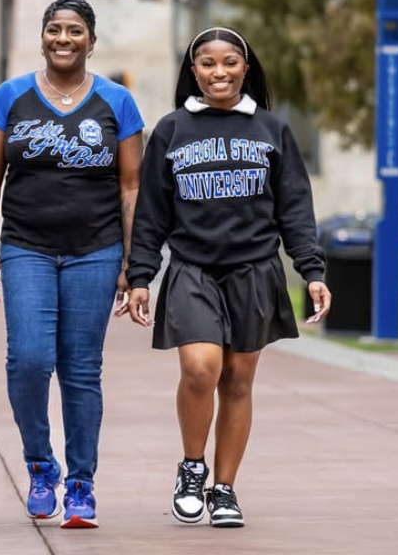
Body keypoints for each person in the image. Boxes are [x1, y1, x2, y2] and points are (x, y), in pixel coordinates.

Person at [124, 27, 332, 528]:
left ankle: (225, 489)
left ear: (246, 68)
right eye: (208, 63)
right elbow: (151, 213)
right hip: (193, 269)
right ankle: (192, 467)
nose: (220, 72)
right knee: (200, 368)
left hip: (255, 270)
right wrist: (140, 276)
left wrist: (312, 270)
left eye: (230, 62)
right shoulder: (172, 130)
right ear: (193, 71)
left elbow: (295, 211)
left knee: (238, 381)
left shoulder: (272, 130)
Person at [0, 0, 144, 529]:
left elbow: (132, 186)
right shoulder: (11, 96)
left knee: (80, 371)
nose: (63, 39)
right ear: (42, 37)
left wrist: (131, 264)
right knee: (27, 360)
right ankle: (40, 465)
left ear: (92, 40)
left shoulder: (118, 101)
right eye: (54, 29)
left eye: (74, 30)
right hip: (26, 246)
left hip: (96, 251)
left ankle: (82, 485)